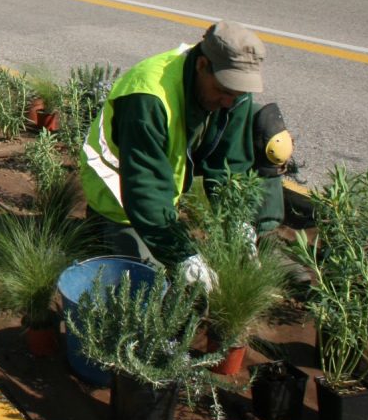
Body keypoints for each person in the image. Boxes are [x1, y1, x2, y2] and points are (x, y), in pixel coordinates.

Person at [80, 20, 285, 284]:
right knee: (151, 282)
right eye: (224, 91)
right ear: (202, 65)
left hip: (166, 175)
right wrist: (183, 256)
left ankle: (266, 237)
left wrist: (239, 222)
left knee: (270, 131)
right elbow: (146, 191)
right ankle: (102, 228)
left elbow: (229, 164)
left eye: (237, 93)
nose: (229, 101)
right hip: (119, 191)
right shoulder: (147, 98)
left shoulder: (232, 88)